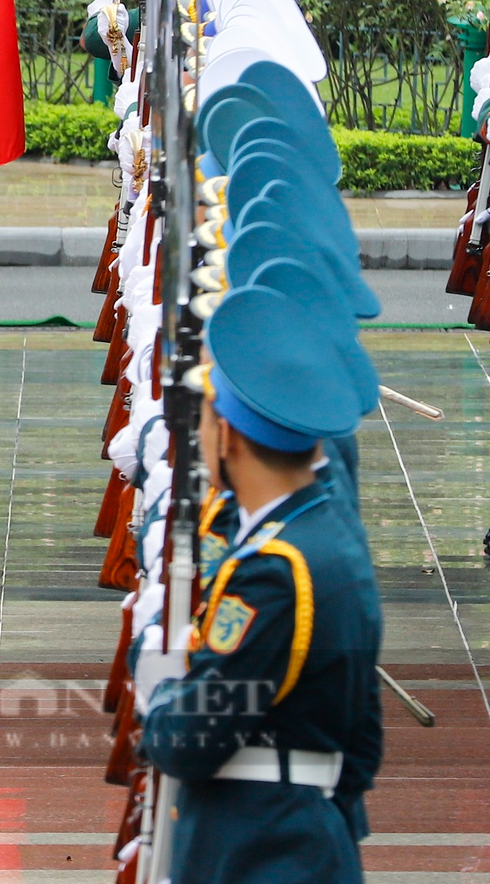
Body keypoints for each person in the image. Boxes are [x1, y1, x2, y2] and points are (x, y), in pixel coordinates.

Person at [137, 268, 383, 883]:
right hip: (295, 833)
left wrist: (160, 687)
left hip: (260, 847)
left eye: (207, 420)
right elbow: (363, 741)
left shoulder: (277, 571)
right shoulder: (323, 536)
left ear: (234, 440)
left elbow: (189, 739)